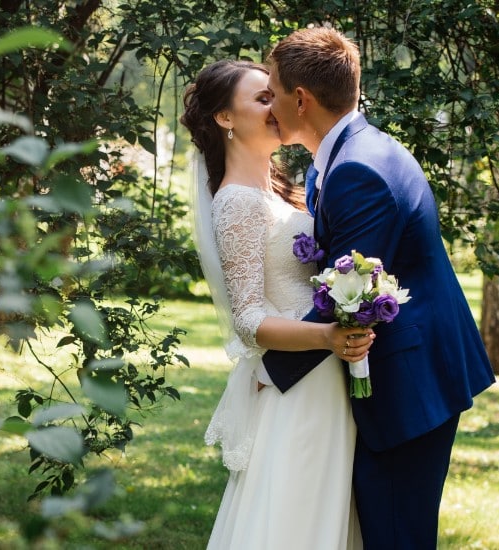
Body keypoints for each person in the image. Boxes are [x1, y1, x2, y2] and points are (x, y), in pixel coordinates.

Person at [262, 28, 497, 549]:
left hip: (408, 385)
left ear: (300, 98)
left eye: (273, 91)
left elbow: (348, 297)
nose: (269, 104)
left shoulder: (357, 171)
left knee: (395, 536)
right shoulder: (348, 153)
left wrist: (263, 374)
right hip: (411, 368)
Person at [181, 59, 374, 550]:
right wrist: (329, 337)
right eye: (262, 98)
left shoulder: (285, 194)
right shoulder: (237, 203)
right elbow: (248, 320)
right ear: (225, 118)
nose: (277, 106)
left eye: (276, 96)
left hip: (323, 377)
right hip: (296, 382)